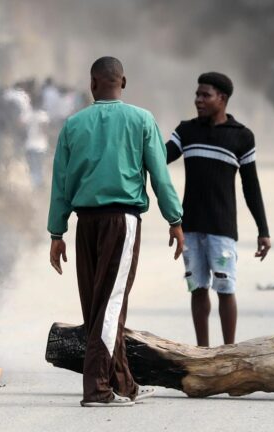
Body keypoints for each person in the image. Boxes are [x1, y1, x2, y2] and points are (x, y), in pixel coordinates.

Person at [48, 57, 185, 407]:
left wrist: (56, 232)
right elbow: (160, 175)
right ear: (123, 82)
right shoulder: (142, 119)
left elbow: (60, 183)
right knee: (109, 305)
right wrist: (175, 219)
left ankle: (124, 384)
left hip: (85, 223)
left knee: (99, 305)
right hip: (121, 221)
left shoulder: (73, 124)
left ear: (92, 83)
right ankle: (97, 389)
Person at [165, 72, 271, 347]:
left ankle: (228, 352)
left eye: (205, 95)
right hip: (190, 227)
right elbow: (160, 157)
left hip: (222, 229)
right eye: (197, 94)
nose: (198, 100)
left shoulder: (241, 137)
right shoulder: (186, 131)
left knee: (225, 288)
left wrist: (263, 230)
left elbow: (251, 186)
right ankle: (202, 353)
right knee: (197, 288)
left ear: (221, 98)